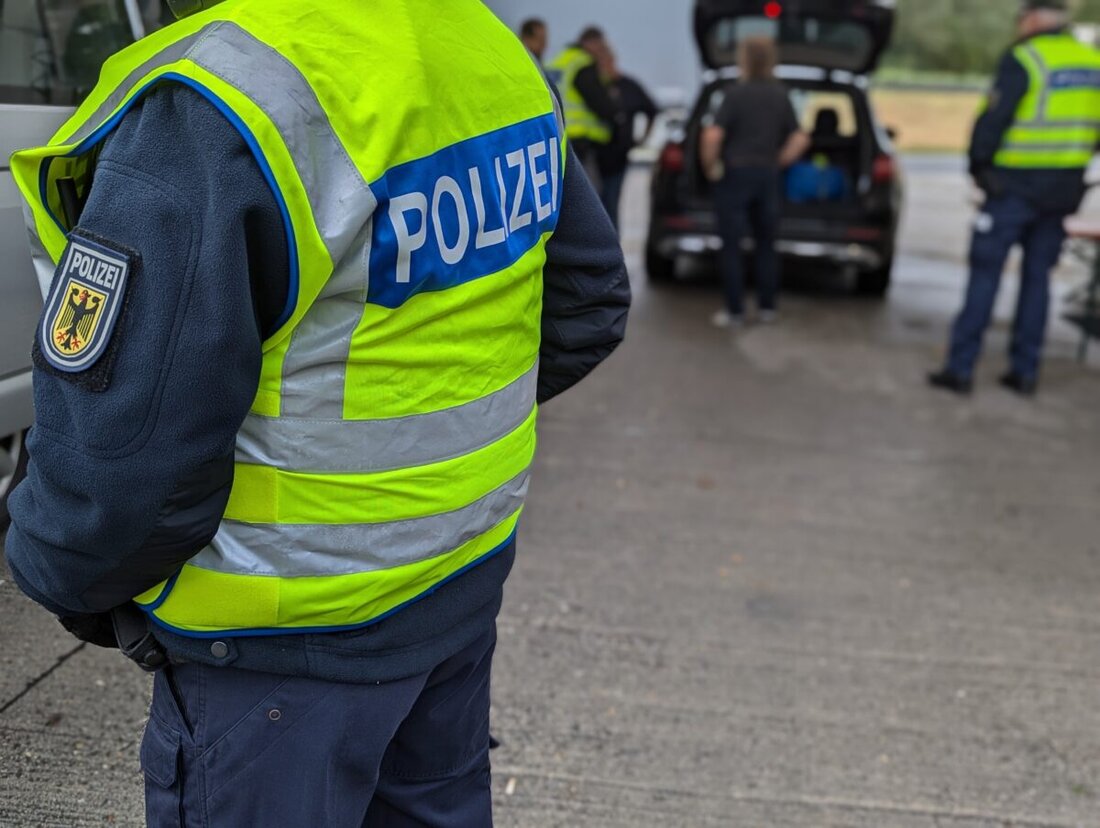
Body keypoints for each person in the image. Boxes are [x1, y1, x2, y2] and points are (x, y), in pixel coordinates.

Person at [5, 0, 631, 825]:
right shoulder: (493, 54)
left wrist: (64, 574)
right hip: (456, 591)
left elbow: (130, 457)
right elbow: (588, 301)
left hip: (280, 647)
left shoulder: (220, 92)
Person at [929, 0, 1100, 397]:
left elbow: (993, 120)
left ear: (1036, 17)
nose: (1018, 26)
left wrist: (980, 169)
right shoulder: (1091, 63)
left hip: (1012, 190)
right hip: (1060, 192)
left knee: (984, 275)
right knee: (1037, 280)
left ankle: (960, 368)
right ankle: (1024, 372)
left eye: (1021, 18)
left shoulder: (1025, 58)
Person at [700, 36, 810, 328]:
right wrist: (781, 160)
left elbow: (712, 136)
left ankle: (735, 311)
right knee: (766, 243)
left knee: (732, 244)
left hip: (736, 174)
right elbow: (800, 137)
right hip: (768, 175)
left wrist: (710, 167)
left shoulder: (736, 94)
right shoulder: (780, 94)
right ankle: (767, 307)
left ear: (744, 58)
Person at [595, 47, 659, 232]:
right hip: (595, 154)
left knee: (611, 203)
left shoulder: (629, 86)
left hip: (618, 157)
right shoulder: (596, 88)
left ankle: (611, 248)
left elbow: (651, 110)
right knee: (597, 206)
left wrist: (642, 139)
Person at [548, 27, 622, 181]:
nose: (600, 52)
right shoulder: (582, 63)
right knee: (588, 193)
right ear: (591, 43)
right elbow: (600, 103)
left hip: (556, 133)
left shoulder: (558, 60)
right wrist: (616, 114)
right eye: (600, 47)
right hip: (579, 139)